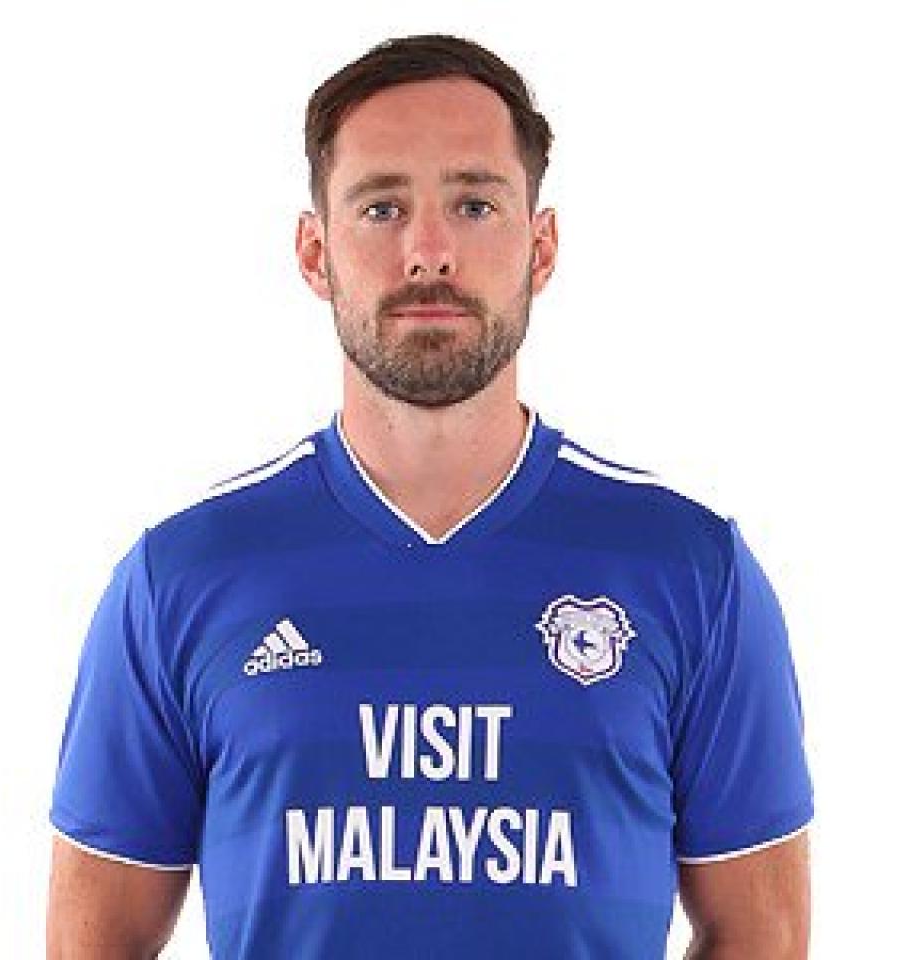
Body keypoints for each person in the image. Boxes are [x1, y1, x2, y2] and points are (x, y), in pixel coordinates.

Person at [46, 33, 814, 959]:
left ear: (541, 247)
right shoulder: (181, 576)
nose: (429, 252)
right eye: (382, 207)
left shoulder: (691, 570)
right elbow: (93, 943)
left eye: (475, 204)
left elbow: (761, 934)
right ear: (314, 252)